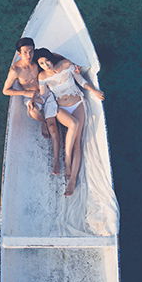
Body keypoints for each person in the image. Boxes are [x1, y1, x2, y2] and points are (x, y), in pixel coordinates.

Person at [34, 48, 104, 196]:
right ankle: (66, 161)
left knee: (77, 142)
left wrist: (94, 91)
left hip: (77, 103)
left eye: (47, 61)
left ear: (51, 58)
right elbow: (44, 95)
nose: (46, 65)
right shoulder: (42, 76)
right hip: (61, 109)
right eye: (41, 64)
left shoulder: (66, 64)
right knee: (74, 124)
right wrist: (33, 102)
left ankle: (72, 180)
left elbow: (81, 81)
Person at [2, 38, 63, 174]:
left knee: (53, 127)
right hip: (30, 96)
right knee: (33, 112)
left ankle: (56, 161)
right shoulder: (15, 70)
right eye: (25, 52)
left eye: (30, 51)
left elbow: (54, 57)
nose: (28, 55)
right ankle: (43, 122)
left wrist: (71, 65)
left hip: (45, 92)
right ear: (19, 53)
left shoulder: (36, 58)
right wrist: (25, 92)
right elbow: (5, 90)